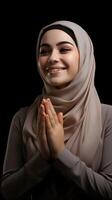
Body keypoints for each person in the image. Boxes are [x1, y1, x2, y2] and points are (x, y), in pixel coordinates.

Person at [1, 20, 112, 200]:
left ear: (83, 56)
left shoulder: (107, 117)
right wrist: (43, 158)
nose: (52, 58)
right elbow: (8, 191)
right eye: (44, 51)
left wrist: (60, 154)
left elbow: (109, 190)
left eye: (64, 49)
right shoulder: (23, 118)